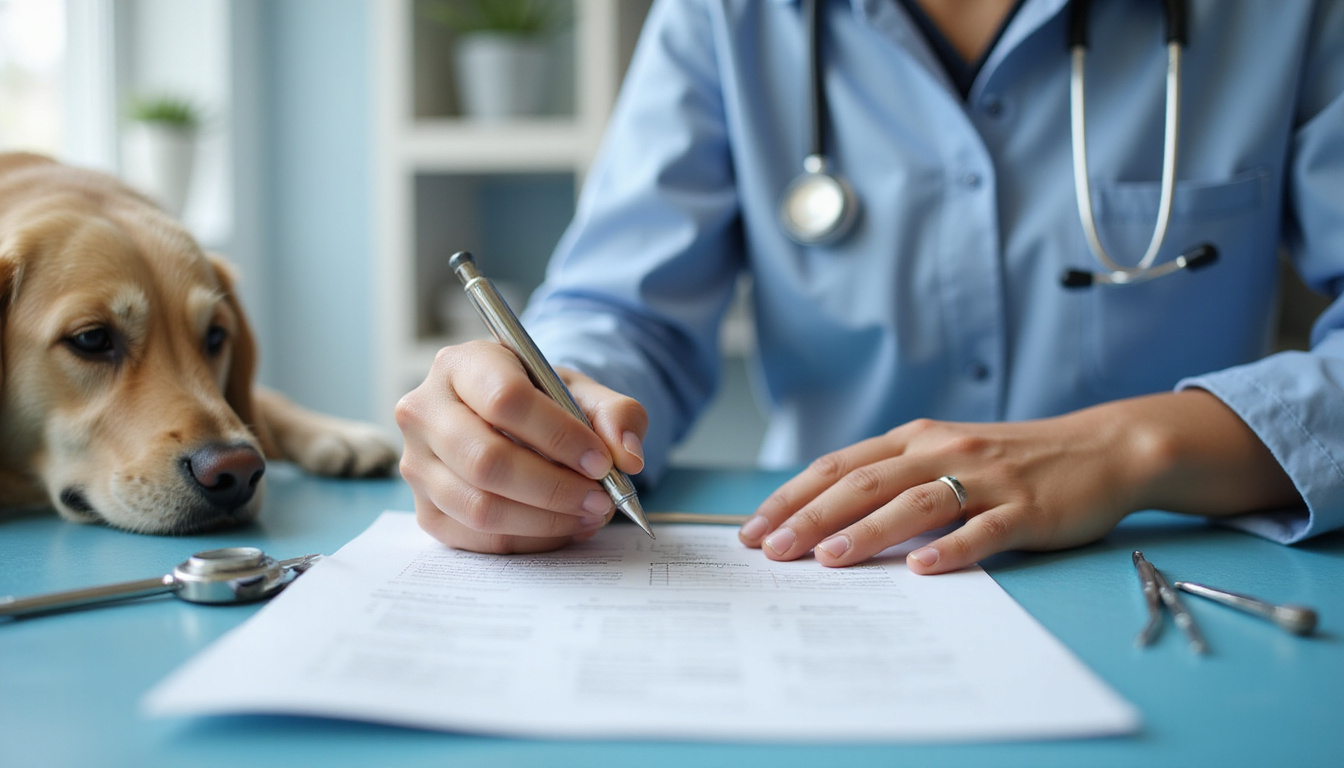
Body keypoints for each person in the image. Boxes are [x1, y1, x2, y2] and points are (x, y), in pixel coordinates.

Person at [395, 0, 1344, 575]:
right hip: (829, 568)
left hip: (1174, 565)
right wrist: (548, 405)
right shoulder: (727, 17)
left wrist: (1131, 448)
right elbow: (622, 308)